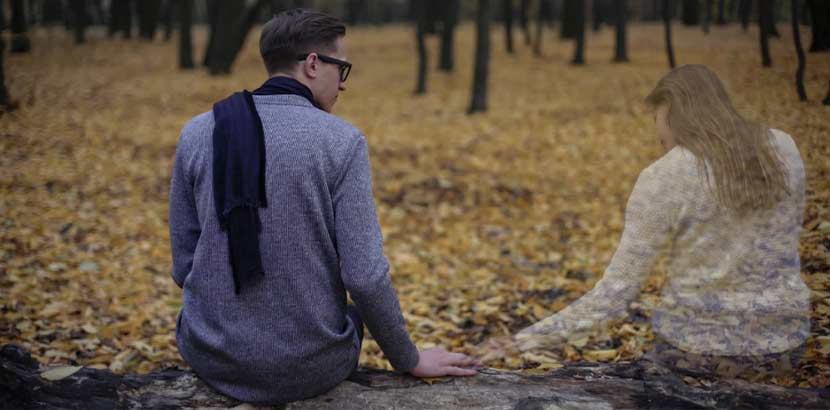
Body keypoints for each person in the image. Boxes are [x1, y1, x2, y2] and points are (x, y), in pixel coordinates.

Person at [169, 9, 478, 405]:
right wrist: (410, 358)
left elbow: (184, 266)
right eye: (342, 68)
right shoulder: (341, 142)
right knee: (351, 315)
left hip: (212, 357)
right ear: (313, 64)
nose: (343, 84)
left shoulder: (197, 132)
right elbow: (365, 277)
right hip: (310, 367)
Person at [480, 65, 811, 382]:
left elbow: (615, 295)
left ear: (675, 114)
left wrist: (520, 342)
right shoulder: (782, 146)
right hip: (785, 341)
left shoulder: (663, 176)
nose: (658, 133)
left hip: (700, 352)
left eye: (658, 118)